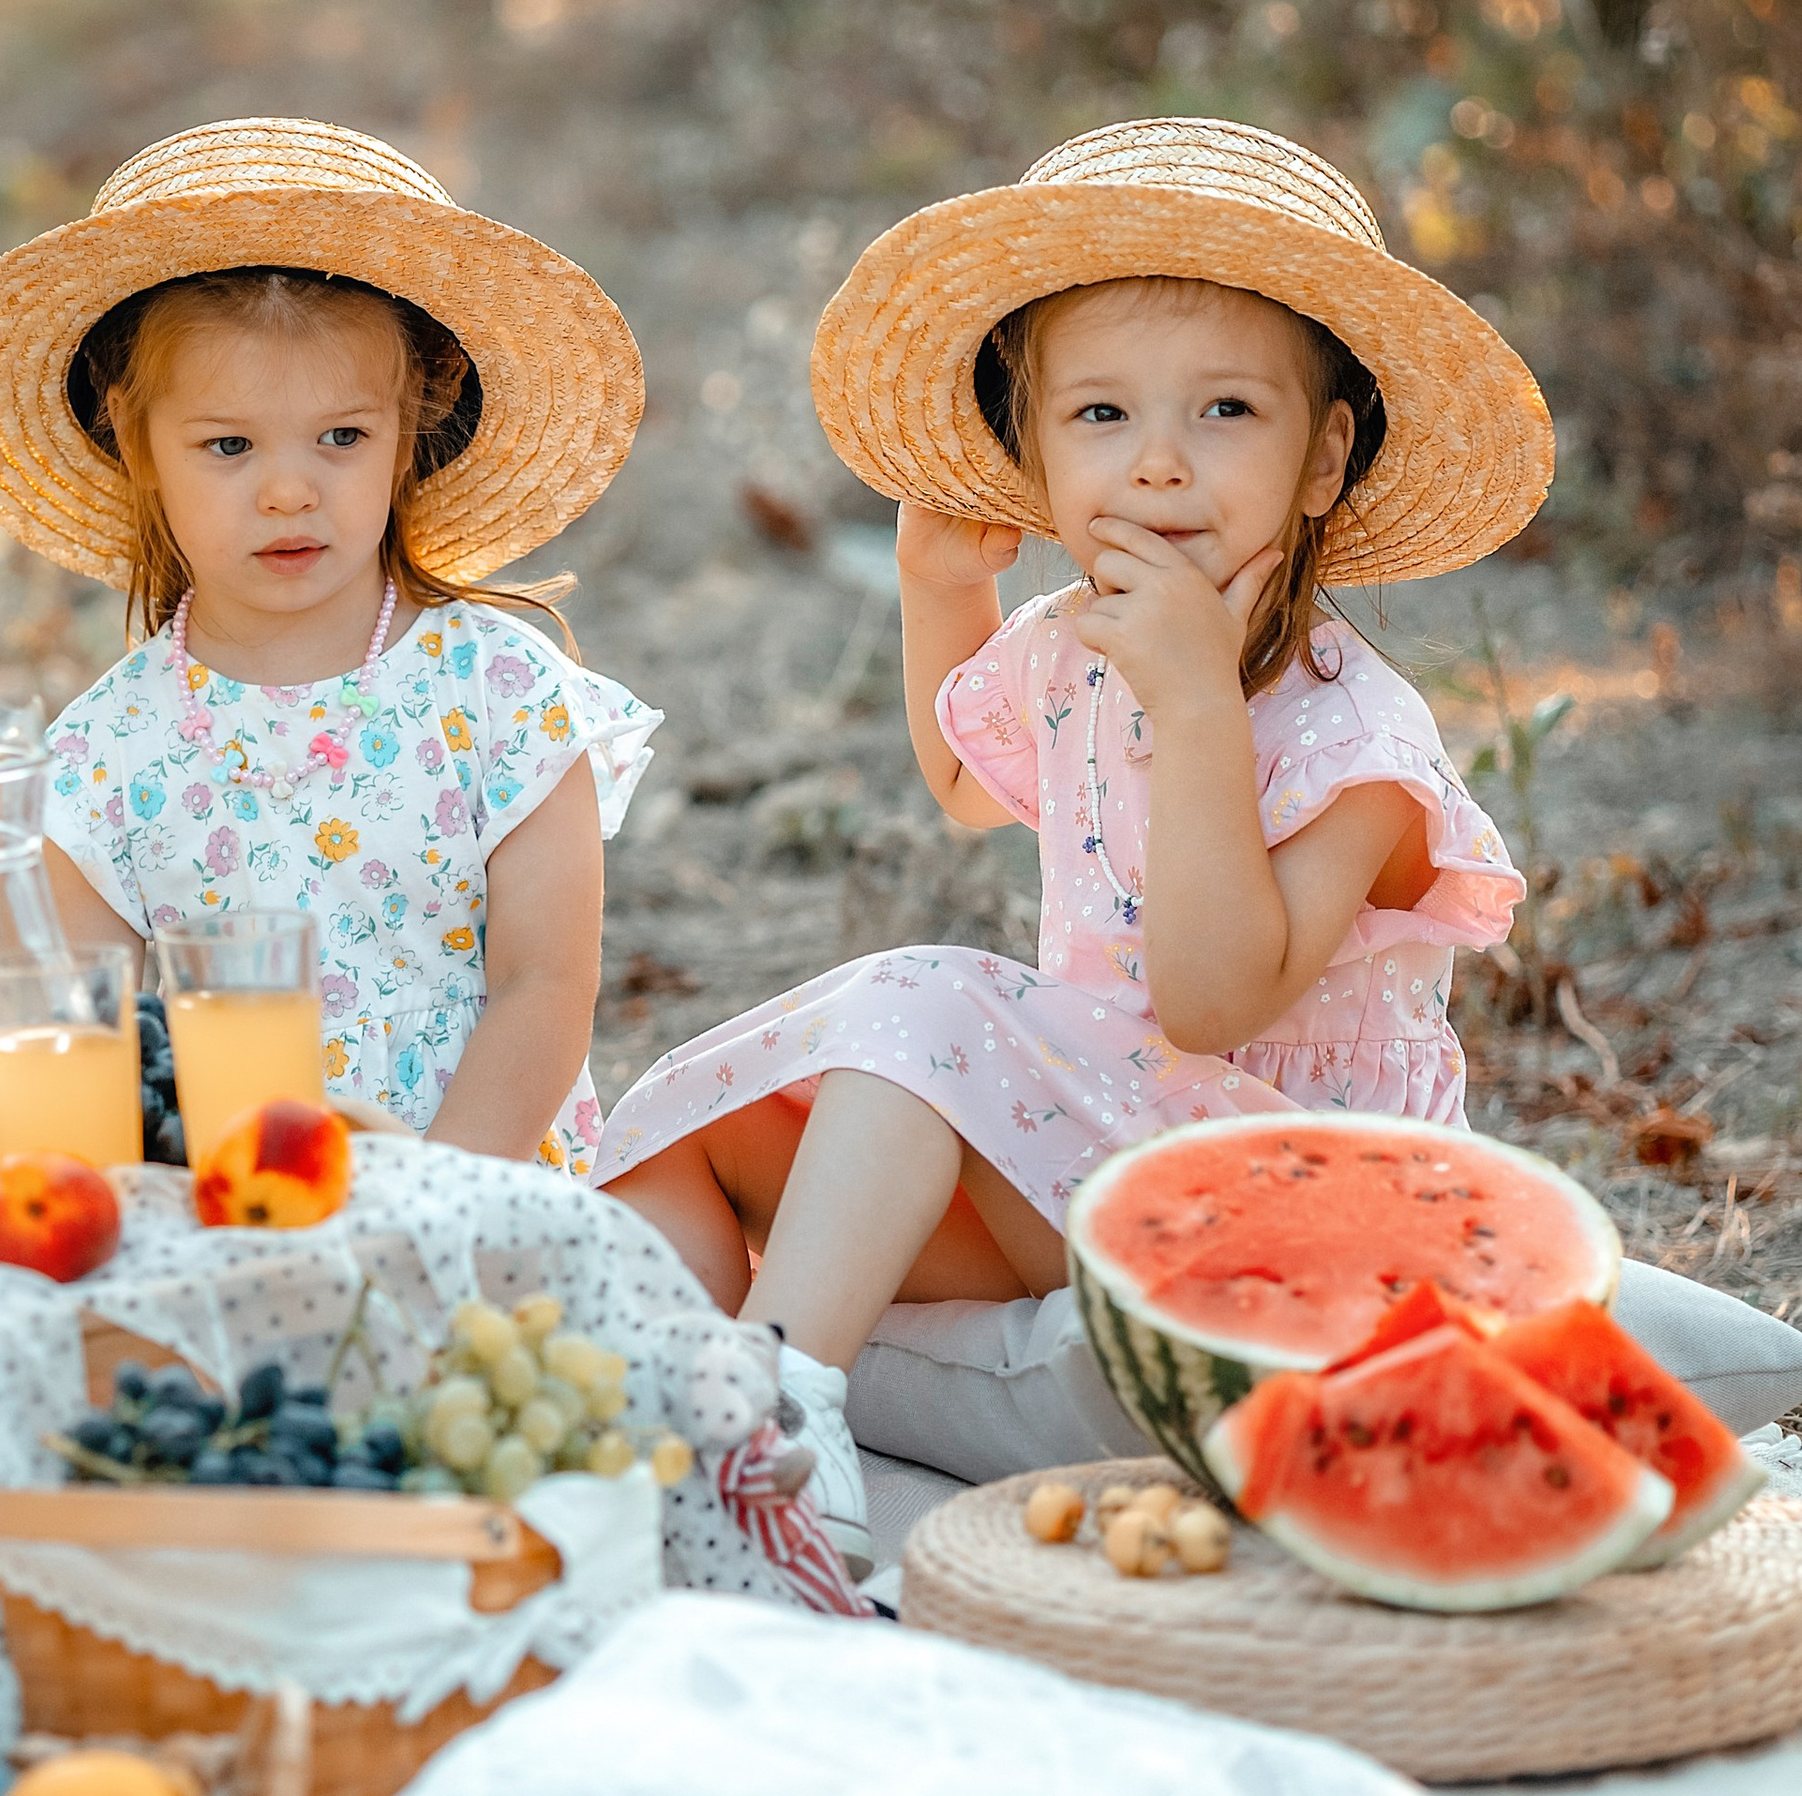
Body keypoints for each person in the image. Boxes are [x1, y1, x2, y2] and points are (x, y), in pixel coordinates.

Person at [597, 117, 1552, 1574]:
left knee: (917, 1003)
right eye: (1100, 418)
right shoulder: (1070, 648)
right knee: (687, 1133)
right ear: (1033, 463)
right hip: (1086, 1148)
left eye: (1226, 411)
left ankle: (779, 1409)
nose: (1159, 466)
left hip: (1282, 1193)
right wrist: (935, 587)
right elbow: (964, 782)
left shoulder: (1363, 746)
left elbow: (1211, 1001)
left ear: (1324, 454)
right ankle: (683, 1443)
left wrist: (1195, 703)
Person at [0, 117, 656, 1173]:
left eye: (342, 437)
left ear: (411, 426)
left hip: (481, 1194)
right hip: (227, 1216)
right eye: (228, 444)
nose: (287, 488)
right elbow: (100, 1067)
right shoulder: (94, 767)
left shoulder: (500, 691)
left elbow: (546, 989)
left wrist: (434, 1202)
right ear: (136, 445)